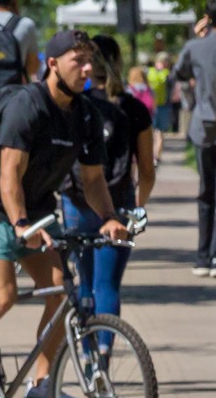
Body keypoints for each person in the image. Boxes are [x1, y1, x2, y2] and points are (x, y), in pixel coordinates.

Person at [0, 29, 129, 398]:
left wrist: (108, 218)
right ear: (52, 64)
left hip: (37, 210)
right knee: (1, 296)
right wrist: (20, 224)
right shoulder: (29, 105)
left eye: (90, 61)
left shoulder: (86, 115)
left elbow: (92, 179)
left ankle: (41, 384)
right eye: (78, 60)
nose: (87, 68)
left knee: (59, 294)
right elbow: (8, 174)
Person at [59, 36, 156, 326]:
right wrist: (138, 206)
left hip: (76, 201)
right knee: (108, 286)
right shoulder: (135, 109)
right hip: (119, 202)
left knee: (84, 282)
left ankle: (85, 359)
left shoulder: (76, 105)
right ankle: (103, 357)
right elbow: (147, 170)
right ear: (118, 63)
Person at [172, 0, 216, 277]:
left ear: (208, 19)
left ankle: (201, 257)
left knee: (206, 193)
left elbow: (179, 72)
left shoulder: (194, 47)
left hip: (202, 127)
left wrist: (200, 35)